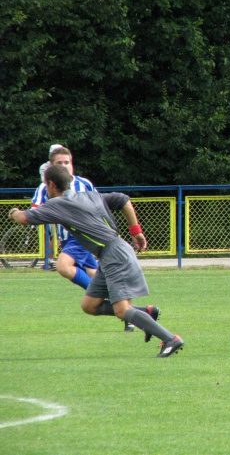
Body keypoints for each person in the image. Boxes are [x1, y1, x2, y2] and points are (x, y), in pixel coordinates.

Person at [9, 164, 184, 358]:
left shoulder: (58, 204)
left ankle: (170, 339)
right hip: (111, 253)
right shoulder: (89, 195)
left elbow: (24, 218)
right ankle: (146, 314)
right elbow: (124, 200)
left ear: (50, 184)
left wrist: (13, 212)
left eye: (45, 185)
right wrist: (136, 231)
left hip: (114, 254)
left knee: (121, 310)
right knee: (90, 305)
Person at [32, 145, 138, 332]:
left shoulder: (84, 184)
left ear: (72, 164)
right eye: (59, 163)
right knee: (97, 276)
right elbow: (35, 210)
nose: (64, 166)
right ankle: (128, 314)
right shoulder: (45, 187)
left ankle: (110, 303)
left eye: (67, 162)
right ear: (50, 166)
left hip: (82, 236)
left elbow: (98, 206)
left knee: (64, 266)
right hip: (69, 240)